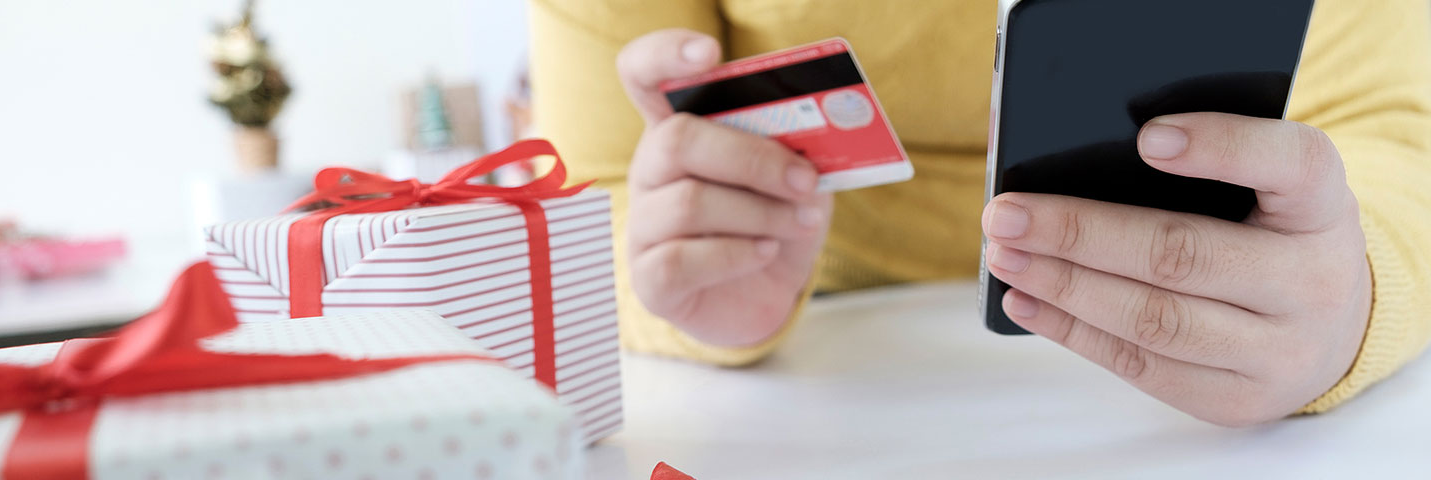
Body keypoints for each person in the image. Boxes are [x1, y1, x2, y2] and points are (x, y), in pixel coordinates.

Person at [526, 0, 1431, 426]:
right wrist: (686, 280)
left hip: (1212, 348)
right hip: (813, 374)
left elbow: (1397, 138)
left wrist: (1352, 301)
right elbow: (592, 189)